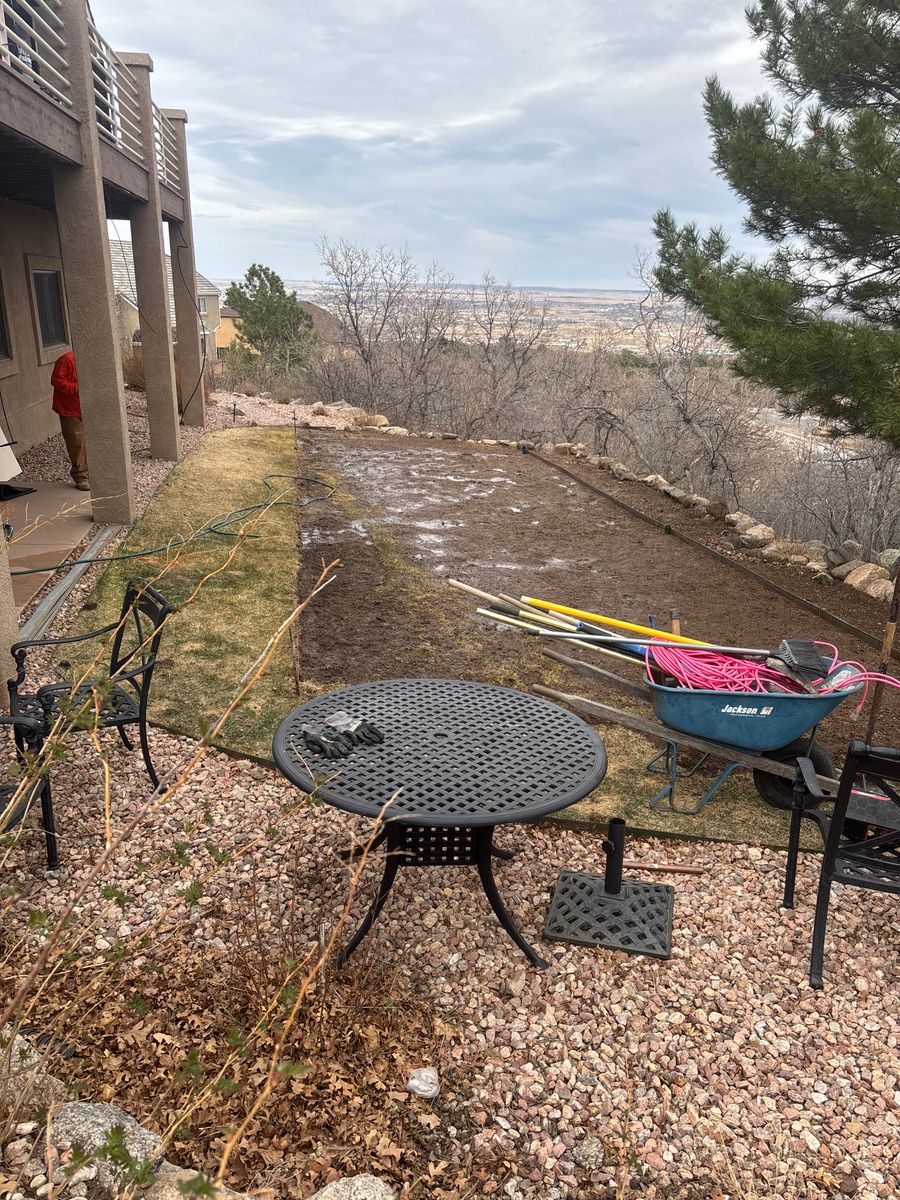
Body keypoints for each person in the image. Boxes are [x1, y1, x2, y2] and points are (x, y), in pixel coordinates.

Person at [51, 350, 89, 491]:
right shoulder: (67, 359)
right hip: (70, 410)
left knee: (90, 442)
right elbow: (56, 380)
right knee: (76, 443)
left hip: (87, 407)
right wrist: (79, 389)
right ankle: (81, 476)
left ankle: (92, 472)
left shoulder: (93, 359)